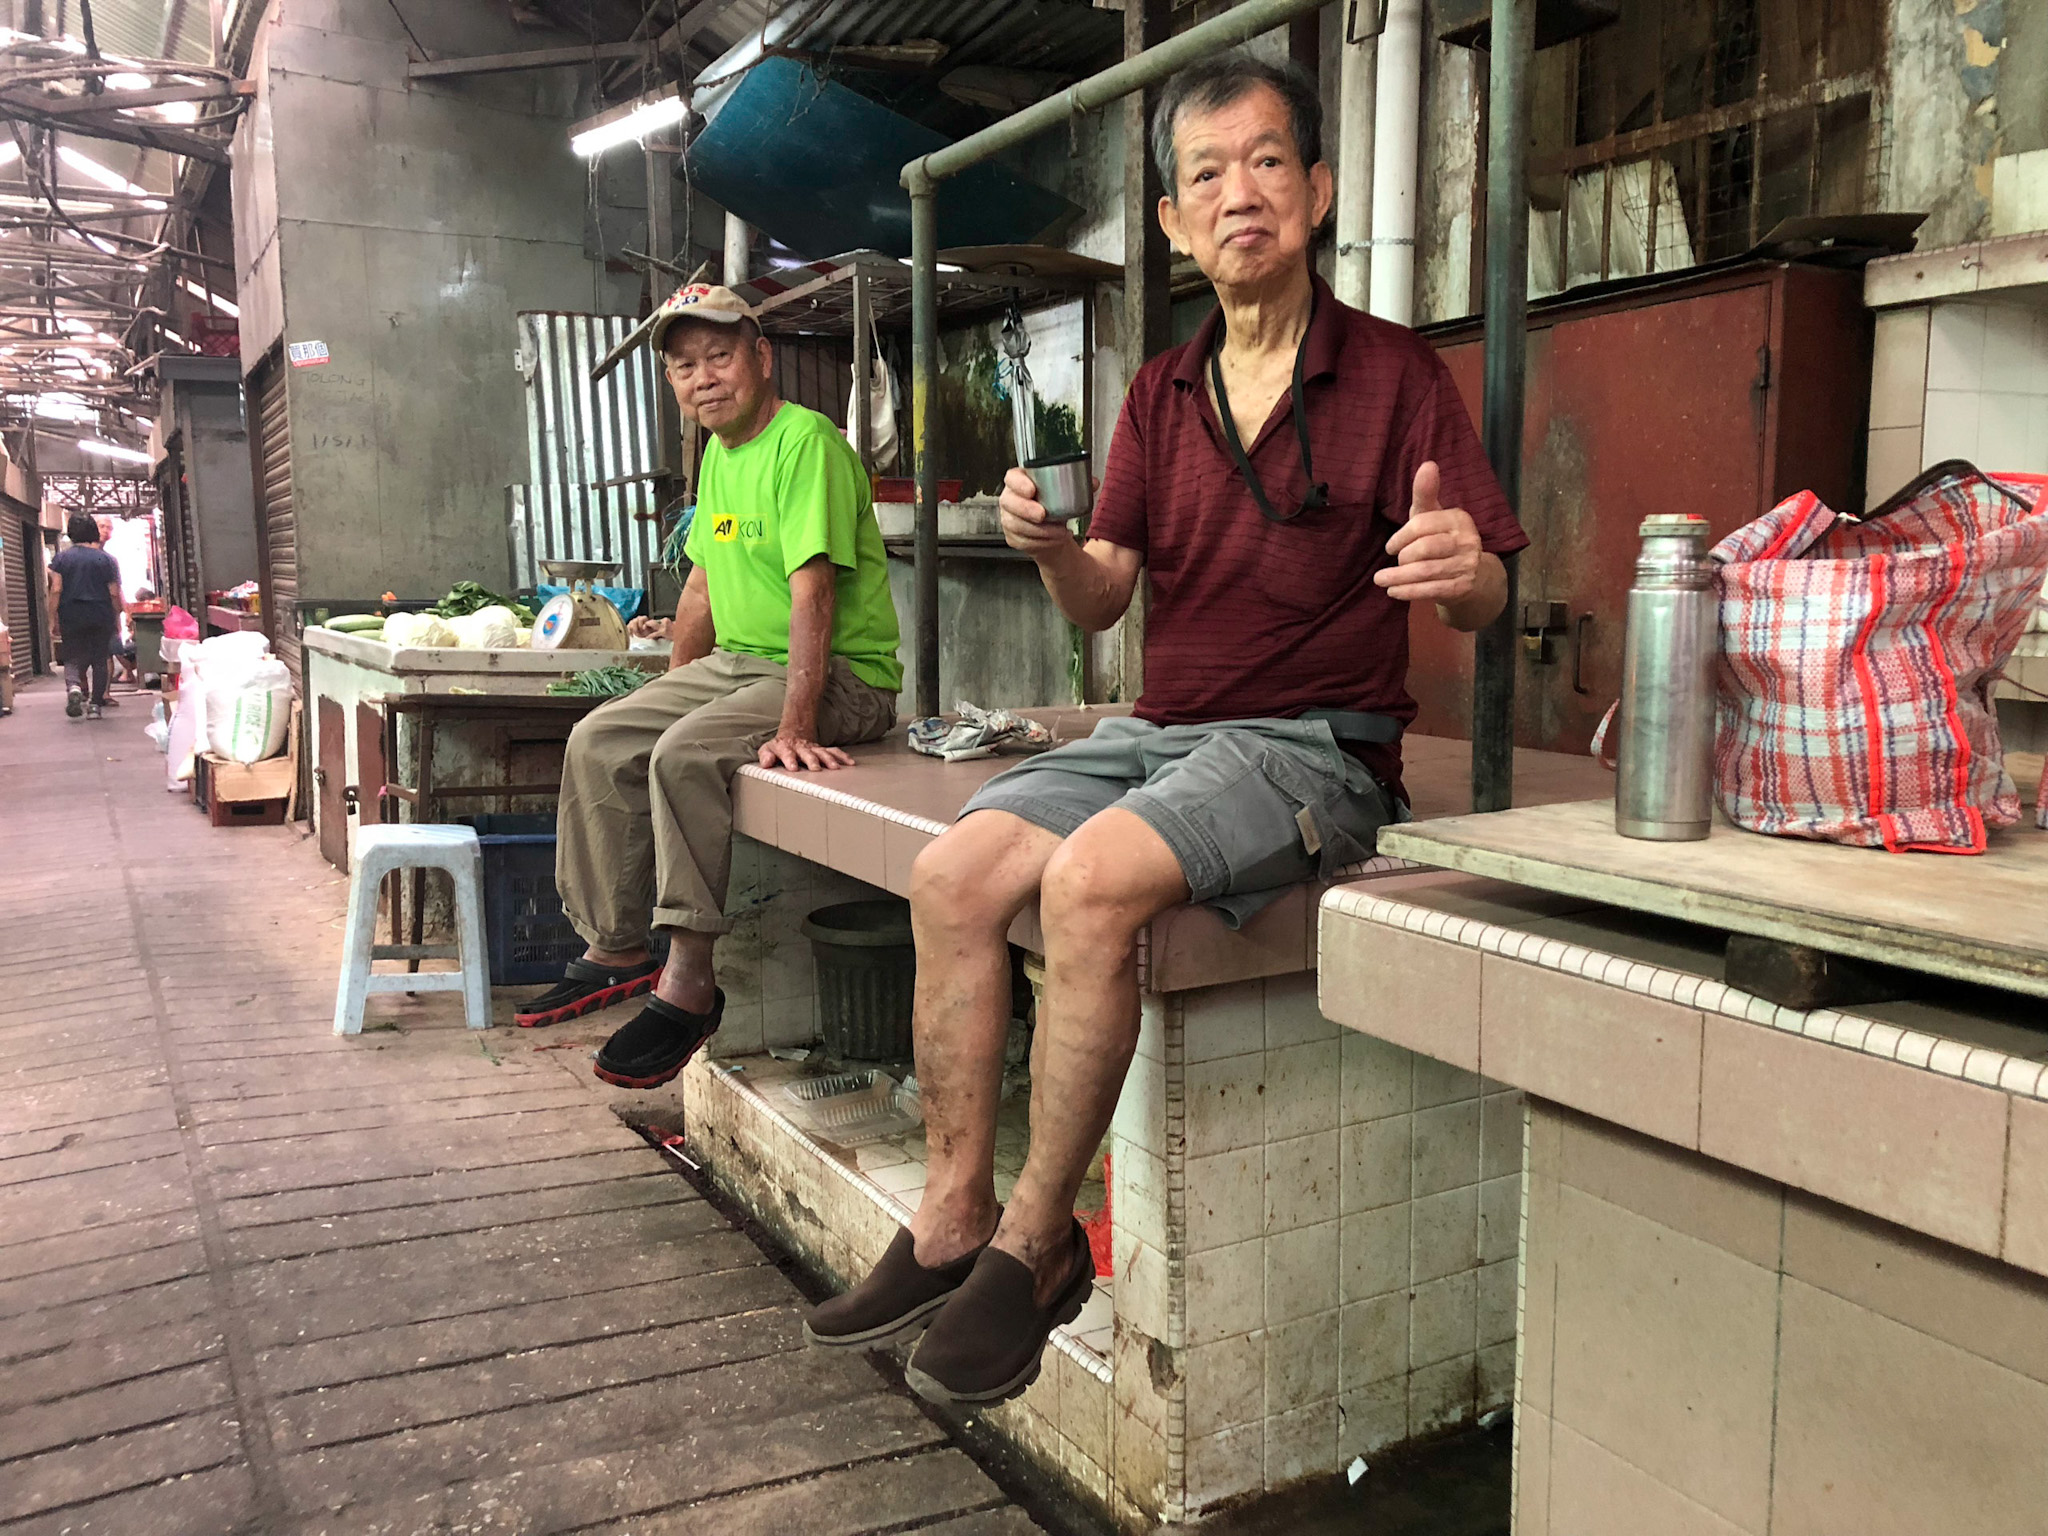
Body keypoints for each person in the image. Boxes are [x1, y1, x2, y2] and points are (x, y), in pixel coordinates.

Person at [806, 52, 1528, 1404]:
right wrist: (1050, 550)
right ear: (1171, 220)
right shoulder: (1159, 393)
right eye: (1206, 173)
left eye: (1267, 162)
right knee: (951, 874)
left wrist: (1462, 568)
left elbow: (1488, 595)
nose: (1238, 193)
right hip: (1167, 730)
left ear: (1316, 191)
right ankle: (952, 1217)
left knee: (1089, 883)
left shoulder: (1395, 375)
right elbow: (1105, 596)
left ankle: (1038, 1247)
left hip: (1317, 745)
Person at [521, 282, 902, 1091]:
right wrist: (670, 692)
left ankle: (690, 981)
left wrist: (795, 724)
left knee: (684, 755)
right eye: (684, 366)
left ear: (761, 358)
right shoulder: (720, 457)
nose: (704, 378)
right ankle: (616, 944)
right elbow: (700, 585)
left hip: (843, 676)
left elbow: (814, 593)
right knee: (600, 738)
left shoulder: (806, 445)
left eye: (719, 356)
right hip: (743, 663)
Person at [48, 513, 123, 721]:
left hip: (71, 613)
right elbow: (114, 593)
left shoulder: (62, 558)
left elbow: (56, 589)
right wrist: (117, 615)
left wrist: (52, 618)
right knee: (100, 659)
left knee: (72, 657)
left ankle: (74, 687)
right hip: (100, 613)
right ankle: (95, 706)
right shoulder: (107, 560)